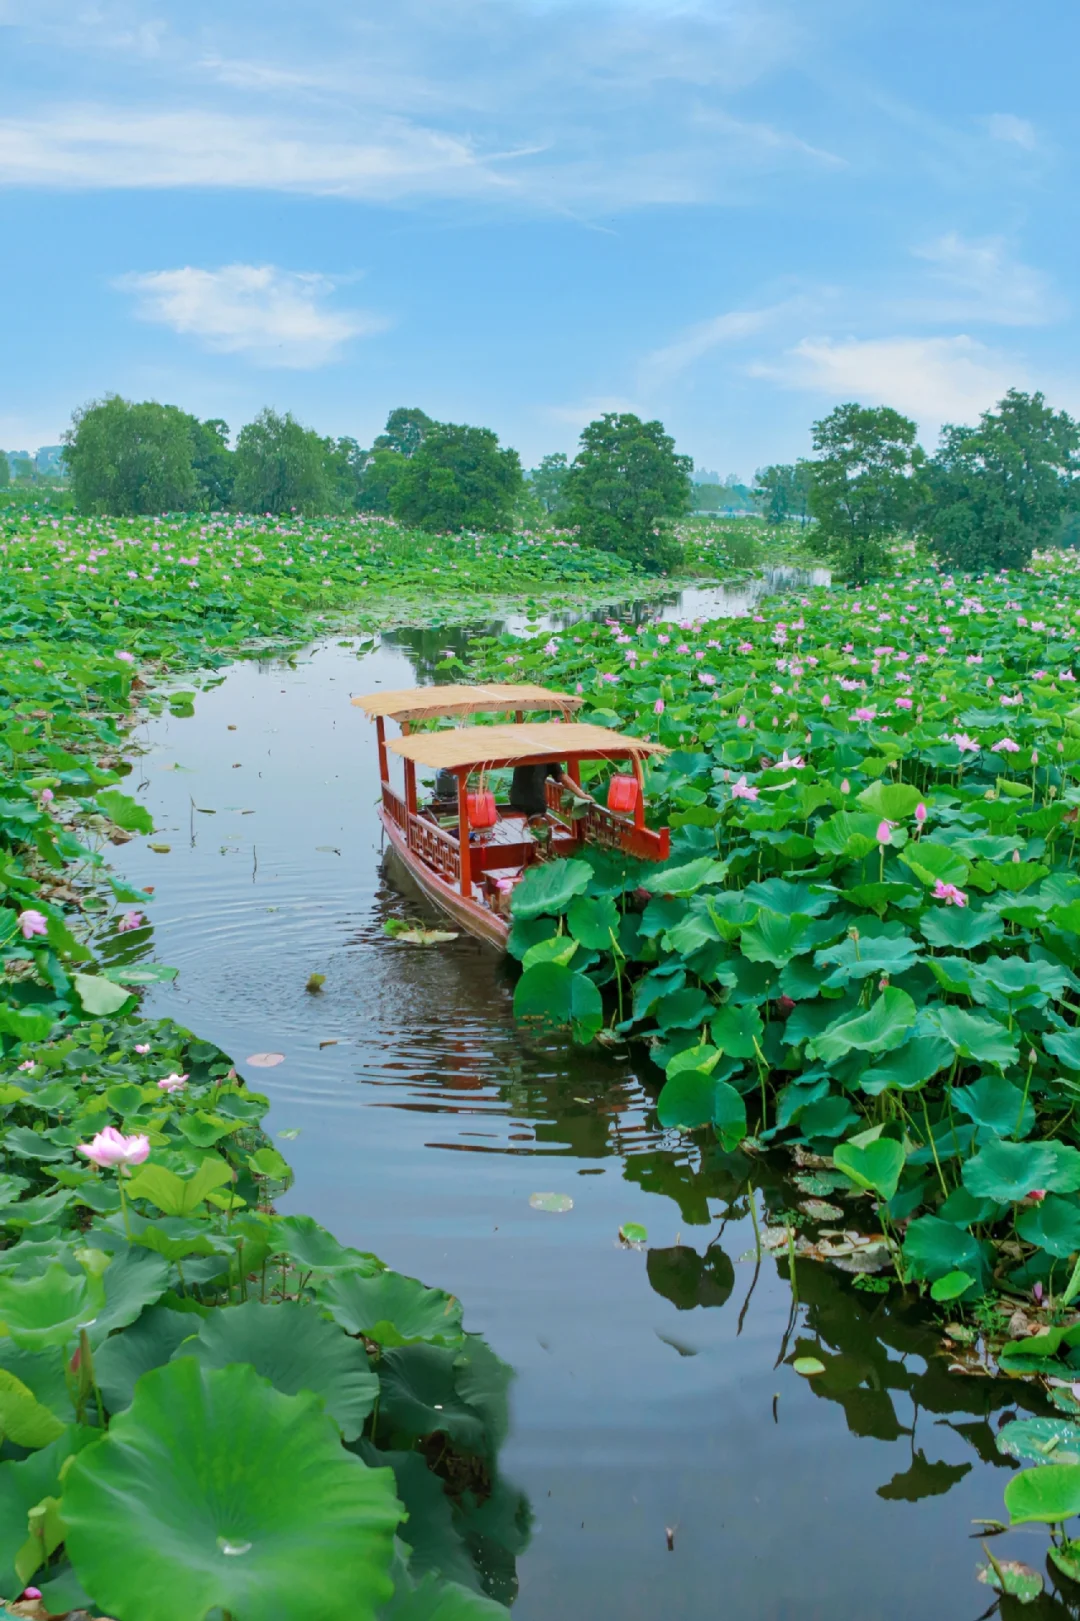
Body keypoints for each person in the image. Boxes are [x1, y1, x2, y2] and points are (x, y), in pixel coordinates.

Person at [509, 761, 593, 832]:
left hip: (516, 802)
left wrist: (581, 794)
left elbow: (562, 776)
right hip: (535, 806)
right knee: (540, 831)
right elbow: (562, 777)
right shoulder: (548, 756)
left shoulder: (525, 751)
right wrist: (581, 794)